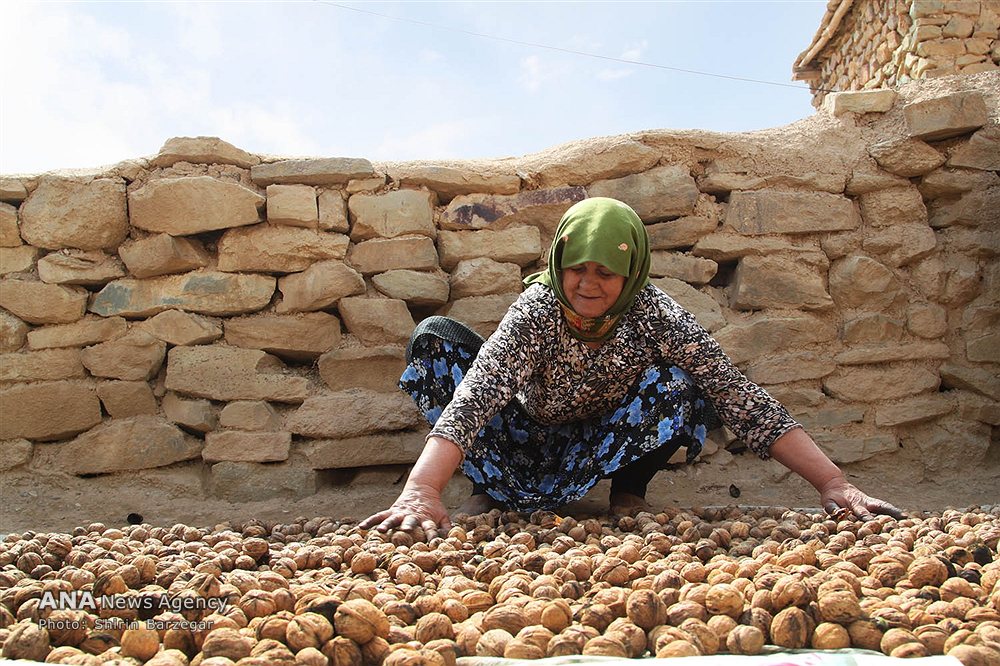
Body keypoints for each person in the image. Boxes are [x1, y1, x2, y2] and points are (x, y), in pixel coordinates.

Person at [360, 197, 902, 540]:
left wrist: (834, 484)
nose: (587, 285)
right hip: (521, 435)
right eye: (577, 268)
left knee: (684, 382)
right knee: (437, 340)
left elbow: (734, 393)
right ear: (558, 263)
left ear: (633, 271)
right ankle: (494, 489)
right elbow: (477, 396)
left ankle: (628, 491)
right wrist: (421, 489)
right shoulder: (538, 308)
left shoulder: (654, 313)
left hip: (599, 440)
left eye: (607, 272)